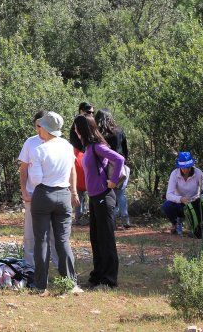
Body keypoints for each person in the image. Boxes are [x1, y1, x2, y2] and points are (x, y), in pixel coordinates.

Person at [28, 111, 82, 295]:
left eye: (40, 126)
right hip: (64, 195)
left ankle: (41, 286)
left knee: (42, 241)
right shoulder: (68, 146)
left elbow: (35, 179)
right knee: (62, 240)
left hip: (44, 194)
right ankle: (71, 283)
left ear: (45, 128)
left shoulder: (39, 150)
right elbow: (71, 169)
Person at [74, 114, 125, 289]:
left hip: (104, 196)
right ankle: (97, 276)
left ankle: (109, 280)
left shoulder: (97, 146)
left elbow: (119, 159)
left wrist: (113, 181)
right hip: (94, 197)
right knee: (96, 239)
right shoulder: (88, 147)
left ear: (81, 129)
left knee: (106, 239)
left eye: (76, 127)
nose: (74, 130)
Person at [18, 110, 59, 269]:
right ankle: (30, 267)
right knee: (30, 234)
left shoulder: (59, 143)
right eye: (36, 126)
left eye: (40, 126)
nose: (38, 129)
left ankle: (59, 268)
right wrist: (24, 190)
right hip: (33, 194)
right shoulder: (30, 142)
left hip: (53, 193)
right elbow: (23, 168)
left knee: (55, 234)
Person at [161, 152, 203, 236]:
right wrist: (180, 199)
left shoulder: (198, 173)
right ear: (179, 166)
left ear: (191, 165)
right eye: (183, 167)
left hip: (195, 203)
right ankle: (176, 223)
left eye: (187, 167)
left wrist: (202, 197)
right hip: (180, 203)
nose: (185, 170)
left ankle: (201, 224)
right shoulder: (174, 174)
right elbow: (168, 195)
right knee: (166, 206)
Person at [95, 108, 131, 228]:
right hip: (120, 165)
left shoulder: (99, 134)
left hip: (105, 167)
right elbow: (125, 150)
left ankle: (112, 221)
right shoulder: (119, 131)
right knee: (121, 193)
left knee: (109, 194)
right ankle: (126, 219)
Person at [69, 102, 93, 225]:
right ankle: (79, 214)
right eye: (88, 112)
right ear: (81, 111)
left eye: (92, 112)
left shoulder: (90, 122)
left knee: (88, 186)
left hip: (86, 153)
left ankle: (84, 213)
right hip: (79, 154)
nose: (90, 114)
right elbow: (74, 141)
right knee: (80, 186)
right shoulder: (77, 123)